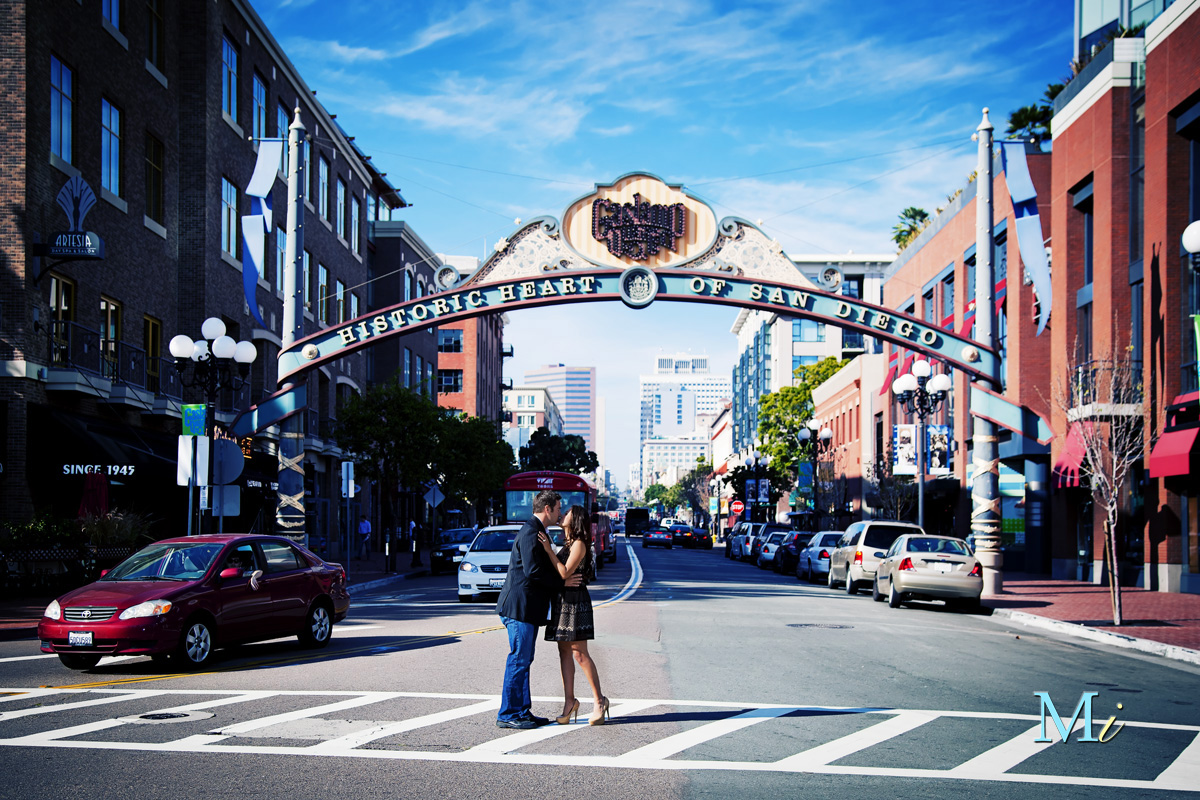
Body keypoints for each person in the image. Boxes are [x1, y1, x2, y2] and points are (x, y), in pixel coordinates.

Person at [494, 489, 581, 729]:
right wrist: (561, 582)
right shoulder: (532, 532)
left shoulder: (536, 530)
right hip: (519, 608)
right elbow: (533, 571)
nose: (560, 513)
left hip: (526, 608)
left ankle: (521, 710)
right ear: (547, 509)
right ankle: (509, 713)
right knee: (519, 659)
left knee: (523, 659)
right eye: (558, 508)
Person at [537, 503, 609, 726]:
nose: (562, 515)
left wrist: (549, 550)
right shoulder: (567, 543)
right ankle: (569, 702)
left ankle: (599, 701)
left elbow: (565, 571)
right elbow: (559, 574)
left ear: (574, 518)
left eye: (566, 513)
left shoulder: (579, 543)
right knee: (564, 651)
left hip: (576, 601)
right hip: (562, 600)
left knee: (579, 653)